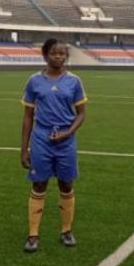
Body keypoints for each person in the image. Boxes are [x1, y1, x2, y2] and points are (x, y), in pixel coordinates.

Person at [20, 39, 88, 252]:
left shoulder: (74, 81)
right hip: (42, 138)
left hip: (66, 140)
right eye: (54, 53)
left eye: (62, 53)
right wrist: (24, 149)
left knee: (66, 184)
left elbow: (81, 114)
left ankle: (66, 231)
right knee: (39, 184)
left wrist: (68, 132)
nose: (58, 57)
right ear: (45, 55)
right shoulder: (34, 81)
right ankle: (33, 235)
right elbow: (28, 116)